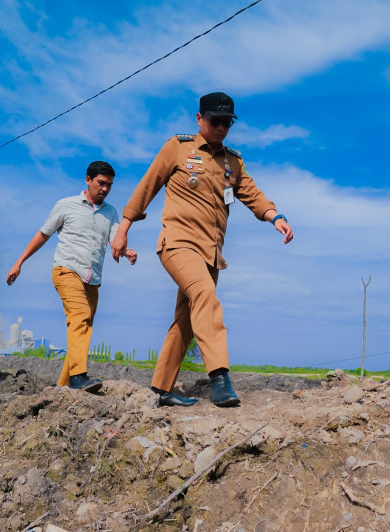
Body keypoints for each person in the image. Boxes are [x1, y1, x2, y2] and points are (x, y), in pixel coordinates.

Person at [111, 92, 294, 408]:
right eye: (215, 121)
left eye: (227, 122)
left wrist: (274, 216)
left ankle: (161, 389)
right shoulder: (178, 148)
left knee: (187, 319)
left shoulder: (232, 162)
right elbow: (147, 186)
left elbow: (252, 194)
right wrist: (123, 228)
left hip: (211, 254)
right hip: (178, 243)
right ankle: (220, 377)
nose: (221, 127)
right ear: (199, 119)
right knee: (206, 297)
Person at [7, 161, 137, 393]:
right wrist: (19, 262)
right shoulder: (66, 205)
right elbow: (43, 234)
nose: (105, 189)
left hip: (92, 280)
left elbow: (116, 238)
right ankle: (78, 377)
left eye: (109, 185)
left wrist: (126, 251)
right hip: (66, 270)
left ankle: (62, 387)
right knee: (80, 317)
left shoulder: (111, 212)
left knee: (83, 327)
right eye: (101, 183)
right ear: (88, 180)